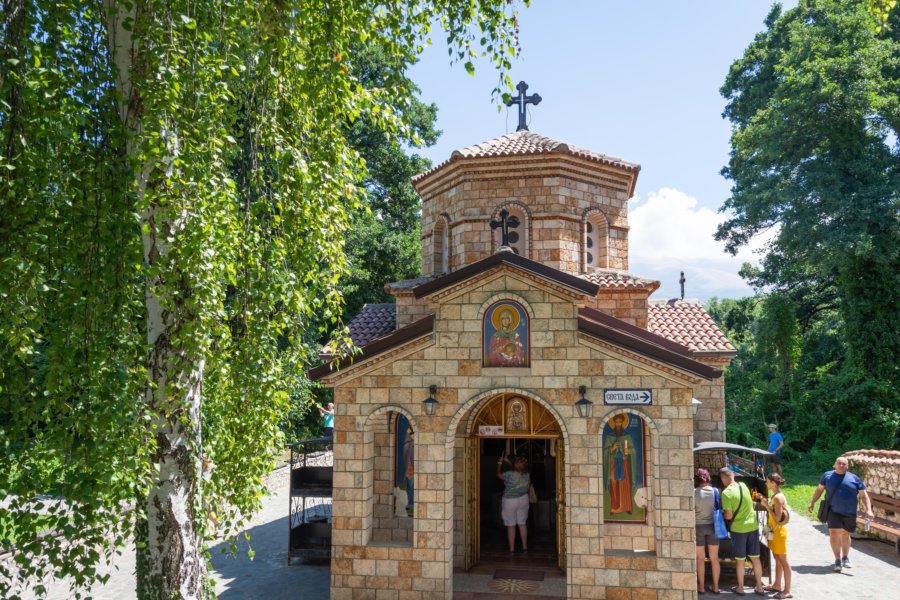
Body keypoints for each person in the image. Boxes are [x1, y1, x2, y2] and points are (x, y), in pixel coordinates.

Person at [807, 456, 874, 572]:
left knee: (845, 534)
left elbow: (864, 495)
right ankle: (837, 560)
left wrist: (869, 509)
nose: (842, 465)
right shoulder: (827, 476)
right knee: (834, 534)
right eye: (839, 463)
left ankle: (845, 557)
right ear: (835, 464)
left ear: (847, 466)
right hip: (833, 510)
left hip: (849, 511)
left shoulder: (854, 478)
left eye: (844, 464)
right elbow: (819, 489)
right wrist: (812, 502)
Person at [719, 467, 765, 596]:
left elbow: (728, 515)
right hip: (753, 526)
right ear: (732, 475)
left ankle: (740, 588)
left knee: (740, 560)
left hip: (739, 529)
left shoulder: (726, 493)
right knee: (755, 558)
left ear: (723, 479)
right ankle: (759, 587)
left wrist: (722, 513)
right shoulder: (743, 485)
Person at [760, 474, 792, 599]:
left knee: (783, 560)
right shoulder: (775, 495)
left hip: (778, 532)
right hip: (773, 531)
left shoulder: (778, 498)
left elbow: (778, 518)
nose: (766, 483)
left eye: (767, 481)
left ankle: (788, 590)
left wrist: (766, 506)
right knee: (776, 557)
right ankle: (777, 585)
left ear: (773, 483)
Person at [694, 468, 721, 595]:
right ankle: (716, 587)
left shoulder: (694, 492)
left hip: (698, 526)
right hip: (713, 527)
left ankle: (701, 587)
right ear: (708, 478)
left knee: (700, 559)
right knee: (714, 558)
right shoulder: (715, 491)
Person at [496, 454, 530, 553]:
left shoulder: (509, 474)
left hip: (510, 501)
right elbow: (517, 469)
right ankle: (525, 547)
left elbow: (498, 474)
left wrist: (499, 462)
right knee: (522, 523)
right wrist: (507, 461)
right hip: (523, 499)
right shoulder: (527, 474)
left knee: (511, 525)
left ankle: (512, 549)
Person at [605, 414, 635, 514]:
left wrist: (628, 450)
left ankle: (627, 507)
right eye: (616, 422)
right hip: (613, 462)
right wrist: (612, 448)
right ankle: (614, 508)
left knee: (625, 484)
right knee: (614, 484)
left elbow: (633, 450)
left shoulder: (627, 435)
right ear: (613, 422)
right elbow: (605, 450)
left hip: (624, 461)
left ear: (623, 422)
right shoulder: (610, 436)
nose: (618, 424)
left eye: (620, 422)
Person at [402, 427, 414, 514]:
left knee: (412, 486)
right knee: (409, 486)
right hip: (409, 467)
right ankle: (410, 503)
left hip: (412, 468)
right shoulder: (408, 440)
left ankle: (412, 503)